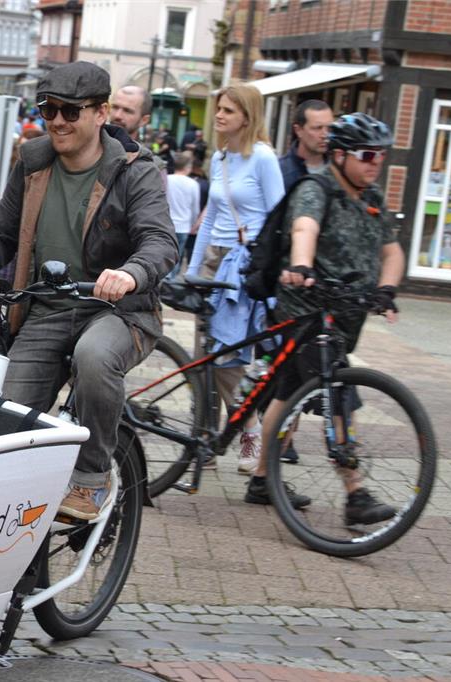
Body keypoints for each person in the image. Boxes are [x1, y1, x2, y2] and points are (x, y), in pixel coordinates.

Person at [0, 61, 177, 520]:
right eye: (49, 108)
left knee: (93, 357)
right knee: (3, 425)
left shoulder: (135, 170)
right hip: (46, 311)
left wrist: (130, 273)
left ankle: (91, 479)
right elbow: (1, 235)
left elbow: (161, 242)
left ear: (101, 113)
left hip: (118, 312)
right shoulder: (33, 162)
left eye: (70, 111)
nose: (56, 121)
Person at [246, 113, 404, 525]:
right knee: (341, 394)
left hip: (341, 317)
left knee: (286, 396)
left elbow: (392, 251)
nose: (375, 162)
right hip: (307, 315)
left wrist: (387, 289)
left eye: (381, 155)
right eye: (367, 154)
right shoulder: (318, 189)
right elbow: (304, 229)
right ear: (339, 155)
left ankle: (262, 478)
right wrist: (302, 266)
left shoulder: (372, 197)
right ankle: (355, 491)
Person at [185, 83, 285, 475]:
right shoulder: (220, 158)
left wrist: (265, 268)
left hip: (243, 267)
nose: (220, 116)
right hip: (213, 262)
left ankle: (249, 428)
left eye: (228, 109)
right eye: (219, 109)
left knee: (227, 358)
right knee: (202, 357)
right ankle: (205, 438)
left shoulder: (262, 158)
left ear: (247, 114)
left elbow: (278, 217)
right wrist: (192, 270)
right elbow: (209, 217)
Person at [279, 99, 334, 192]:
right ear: (298, 130)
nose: (325, 135)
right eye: (317, 128)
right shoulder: (280, 171)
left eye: (330, 128)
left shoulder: (338, 170)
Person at [166, 151, 201, 277]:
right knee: (177, 257)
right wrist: (194, 224)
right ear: (188, 167)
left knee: (163, 255)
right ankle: (171, 282)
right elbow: (195, 207)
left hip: (167, 223)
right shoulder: (193, 184)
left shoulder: (167, 180)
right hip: (183, 226)